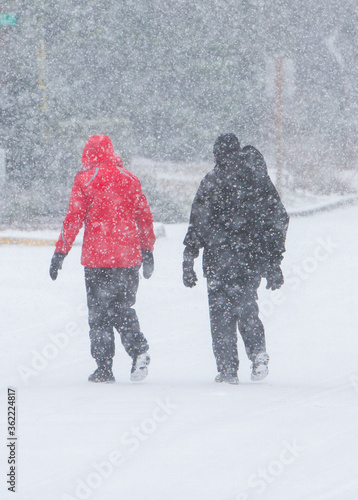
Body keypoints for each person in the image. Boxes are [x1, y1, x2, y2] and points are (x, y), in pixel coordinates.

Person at [182, 133, 289, 385]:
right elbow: (278, 219)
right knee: (246, 307)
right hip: (251, 259)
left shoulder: (211, 180)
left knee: (221, 317)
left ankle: (228, 369)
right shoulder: (257, 180)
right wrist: (273, 261)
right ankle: (258, 352)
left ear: (217, 153)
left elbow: (197, 222)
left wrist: (189, 258)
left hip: (218, 260)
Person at [49, 135, 155, 383]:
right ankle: (138, 350)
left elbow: (73, 218)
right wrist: (147, 250)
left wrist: (60, 252)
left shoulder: (85, 180)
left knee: (98, 316)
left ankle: (104, 368)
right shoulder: (130, 179)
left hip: (98, 260)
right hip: (128, 258)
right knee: (122, 308)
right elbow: (144, 218)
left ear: (88, 154)